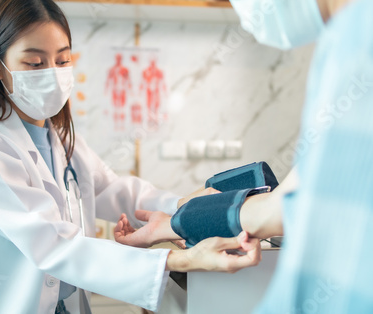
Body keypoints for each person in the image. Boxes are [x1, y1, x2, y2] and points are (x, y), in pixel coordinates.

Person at [0, 0, 261, 313]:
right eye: (35, 64)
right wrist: (182, 260)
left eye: (63, 60)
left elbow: (117, 191)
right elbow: (53, 244)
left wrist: (187, 208)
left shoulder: (63, 142)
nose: (52, 74)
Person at [116, 0, 373, 312]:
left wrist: (178, 222)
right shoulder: (347, 36)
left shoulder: (358, 34)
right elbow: (286, 202)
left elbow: (294, 210)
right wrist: (174, 223)